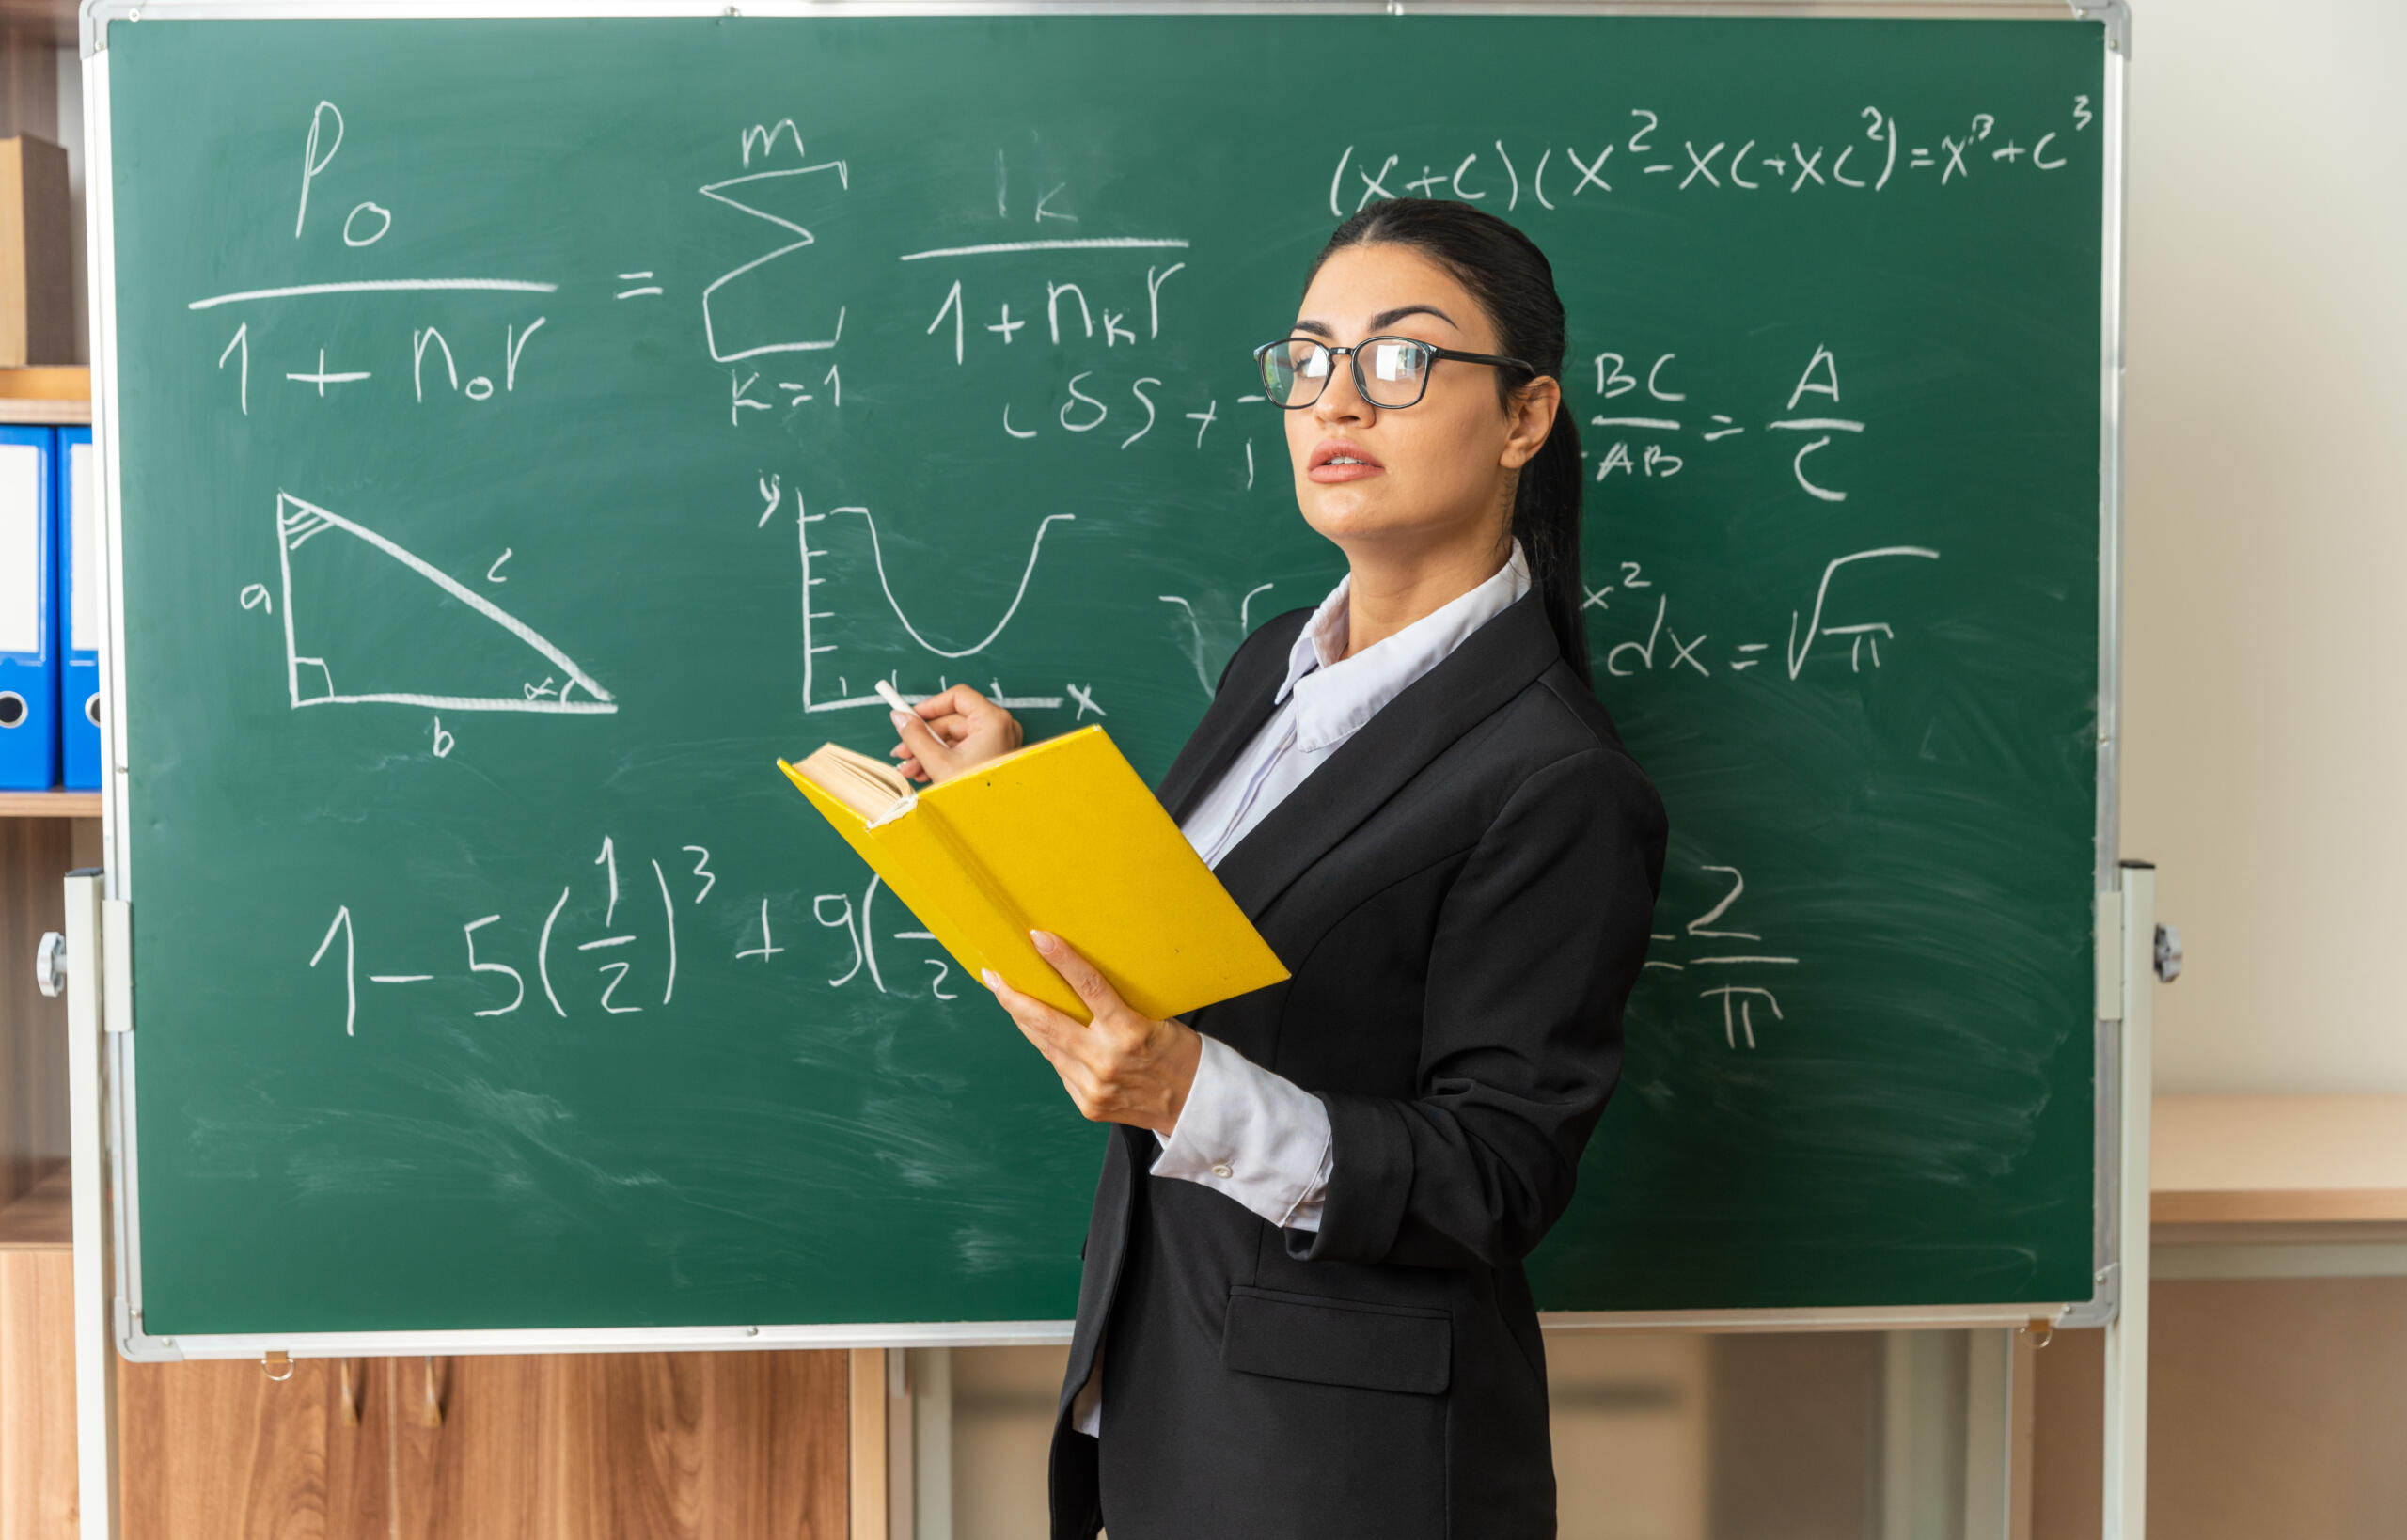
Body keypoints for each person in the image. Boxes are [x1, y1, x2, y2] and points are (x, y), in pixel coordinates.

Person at [885, 197, 1668, 1540]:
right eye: (1308, 362)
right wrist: (1007, 801)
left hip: (1342, 1474)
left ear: (1526, 418)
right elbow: (1193, 952)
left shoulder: (1558, 776)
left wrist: (1191, 1090)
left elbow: (1496, 1175)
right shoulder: (1272, 664)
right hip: (1167, 1410)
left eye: (1401, 359)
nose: (1337, 401)